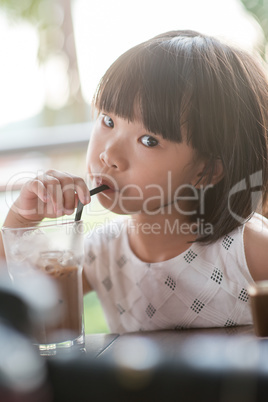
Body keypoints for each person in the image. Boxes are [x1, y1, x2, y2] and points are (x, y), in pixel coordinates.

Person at [1, 30, 268, 333]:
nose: (109, 154)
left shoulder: (247, 249)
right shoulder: (102, 252)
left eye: (148, 140)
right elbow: (23, 307)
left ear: (205, 171)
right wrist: (22, 218)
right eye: (108, 121)